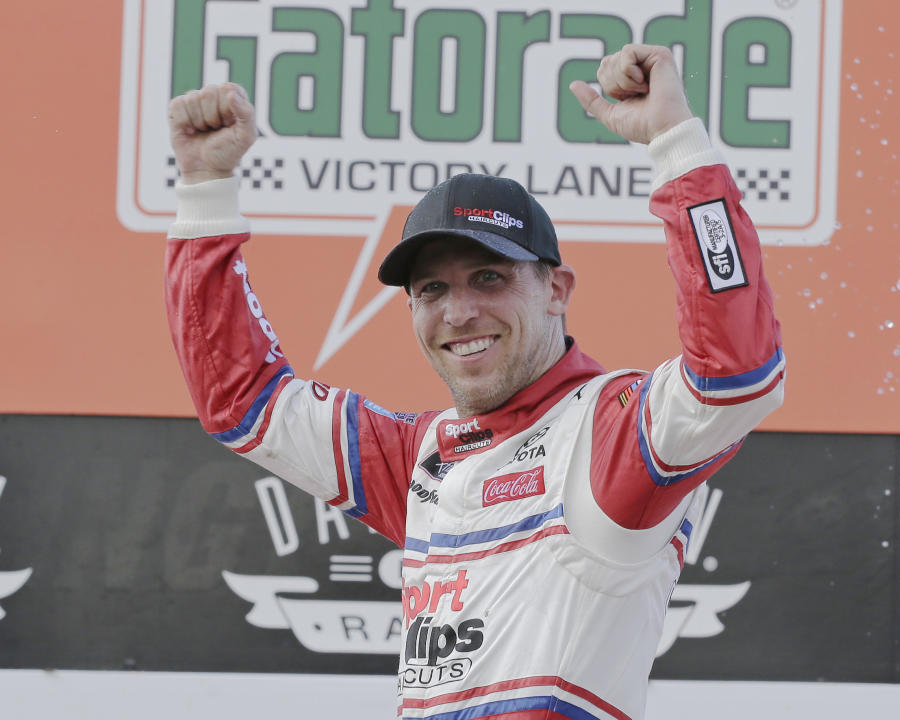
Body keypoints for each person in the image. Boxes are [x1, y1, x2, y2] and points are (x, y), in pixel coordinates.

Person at [165, 44, 784, 720]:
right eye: (432, 289)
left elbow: (736, 376)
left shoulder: (608, 432)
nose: (459, 312)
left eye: (489, 277)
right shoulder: (419, 456)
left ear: (557, 288)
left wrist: (675, 144)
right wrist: (204, 190)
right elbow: (243, 401)